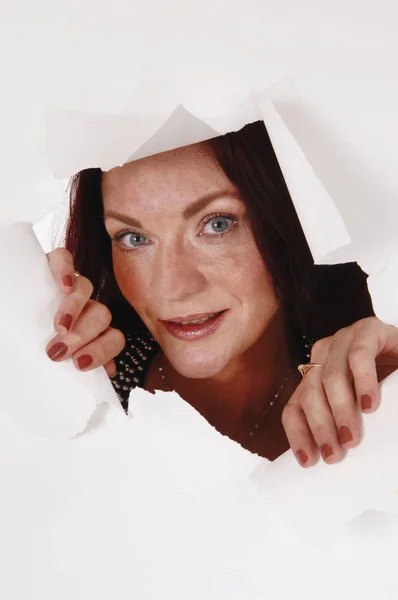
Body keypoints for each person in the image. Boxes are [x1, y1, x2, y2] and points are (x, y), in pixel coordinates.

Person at [45, 121, 398, 465]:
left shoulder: (366, 377)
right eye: (133, 239)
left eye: (217, 224)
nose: (172, 287)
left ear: (290, 222)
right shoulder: (84, 392)